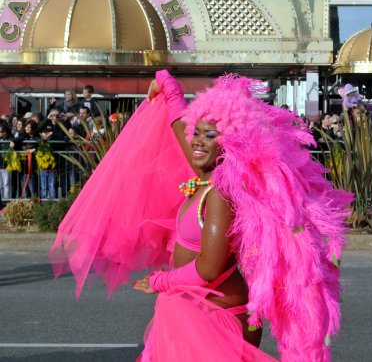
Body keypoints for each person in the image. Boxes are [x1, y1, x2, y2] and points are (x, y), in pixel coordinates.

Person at [50, 71, 351, 361]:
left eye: (210, 135)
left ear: (231, 142)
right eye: (198, 132)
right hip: (197, 309)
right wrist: (168, 85)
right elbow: (180, 126)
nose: (197, 141)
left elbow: (209, 267)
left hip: (219, 317)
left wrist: (161, 282)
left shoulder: (220, 193)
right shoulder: (206, 175)